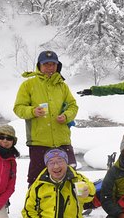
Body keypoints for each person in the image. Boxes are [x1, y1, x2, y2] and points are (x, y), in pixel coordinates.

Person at [13, 50, 78, 186]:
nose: (50, 68)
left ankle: (68, 206)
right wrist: (32, 111)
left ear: (57, 66)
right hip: (39, 142)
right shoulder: (28, 85)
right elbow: (18, 108)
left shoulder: (62, 85)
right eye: (46, 64)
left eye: (53, 64)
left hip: (62, 141)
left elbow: (73, 106)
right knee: (37, 180)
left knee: (70, 178)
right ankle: (35, 206)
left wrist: (66, 116)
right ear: (39, 66)